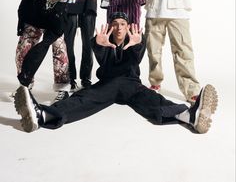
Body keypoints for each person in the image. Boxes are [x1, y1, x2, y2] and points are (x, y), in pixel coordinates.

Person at [14, 12, 217, 134]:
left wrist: (135, 46)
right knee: (84, 98)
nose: (119, 27)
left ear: (128, 26)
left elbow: (132, 66)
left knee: (152, 98)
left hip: (131, 85)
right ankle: (43, 115)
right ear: (110, 26)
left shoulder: (136, 40)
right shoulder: (103, 40)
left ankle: (189, 115)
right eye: (115, 24)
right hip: (108, 85)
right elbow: (107, 68)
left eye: (122, 24)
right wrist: (102, 47)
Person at [16, 0, 80, 95]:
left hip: (52, 27)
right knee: (22, 50)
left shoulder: (63, 6)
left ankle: (63, 90)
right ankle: (25, 85)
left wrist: (55, 0)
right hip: (34, 20)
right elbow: (26, 5)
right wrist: (21, 26)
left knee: (60, 50)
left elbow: (58, 29)